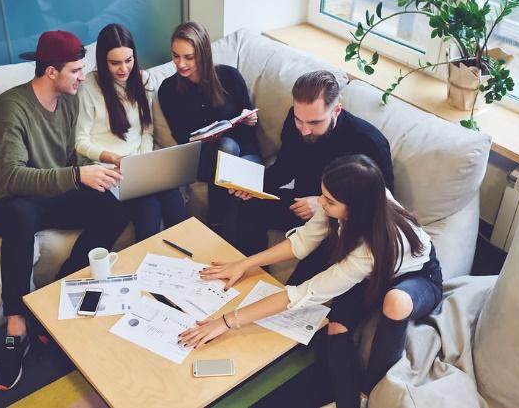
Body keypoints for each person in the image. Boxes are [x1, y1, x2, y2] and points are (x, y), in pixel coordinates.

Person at [179, 155, 443, 407]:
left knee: (394, 302)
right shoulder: (350, 202)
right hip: (371, 274)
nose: (320, 202)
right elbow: (303, 242)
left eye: (328, 200)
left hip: (418, 276)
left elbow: (302, 294)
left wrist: (226, 321)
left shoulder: (367, 251)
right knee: (336, 328)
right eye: (322, 194)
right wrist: (245, 263)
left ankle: (371, 392)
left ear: (355, 207)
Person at [0, 30, 131, 391]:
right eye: (76, 71)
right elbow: (14, 177)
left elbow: (67, 160)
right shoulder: (10, 108)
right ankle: (16, 325)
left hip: (50, 196)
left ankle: (61, 287)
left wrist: (100, 168)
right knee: (21, 213)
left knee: (116, 202)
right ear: (51, 71)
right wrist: (77, 174)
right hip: (9, 202)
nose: (83, 77)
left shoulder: (68, 101)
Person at [232, 71, 393, 273]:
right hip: (299, 204)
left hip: (339, 221)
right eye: (300, 120)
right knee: (250, 204)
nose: (304, 130)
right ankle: (250, 277)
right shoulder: (295, 121)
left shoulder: (369, 142)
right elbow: (284, 169)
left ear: (336, 110)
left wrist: (323, 204)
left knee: (306, 275)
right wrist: (254, 186)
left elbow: (382, 203)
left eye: (315, 123)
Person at [75, 23, 187, 241]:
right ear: (102, 61)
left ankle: (188, 256)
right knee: (149, 206)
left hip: (137, 165)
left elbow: (147, 131)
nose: (123, 69)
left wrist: (140, 161)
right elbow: (79, 141)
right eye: (115, 63)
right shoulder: (88, 87)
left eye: (129, 60)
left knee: (172, 193)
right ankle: (150, 265)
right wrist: (112, 158)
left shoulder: (143, 81)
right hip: (106, 168)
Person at [158, 21, 260, 233]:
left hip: (244, 153)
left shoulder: (230, 77)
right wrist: (206, 137)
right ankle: (216, 222)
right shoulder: (168, 90)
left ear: (203, 54)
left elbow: (248, 123)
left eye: (188, 57)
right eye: (176, 56)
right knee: (226, 146)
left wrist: (249, 120)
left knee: (241, 181)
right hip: (203, 160)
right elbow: (182, 138)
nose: (180, 63)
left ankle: (226, 239)